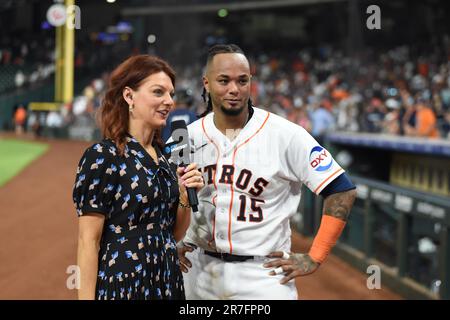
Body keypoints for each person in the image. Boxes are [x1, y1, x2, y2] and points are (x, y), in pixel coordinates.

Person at [175, 44, 357, 300]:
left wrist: (316, 255)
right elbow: (172, 198)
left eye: (242, 80)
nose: (234, 89)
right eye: (224, 80)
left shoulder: (286, 135)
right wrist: (173, 242)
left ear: (251, 82)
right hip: (198, 273)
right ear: (206, 83)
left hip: (261, 276)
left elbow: (341, 189)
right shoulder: (186, 137)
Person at [72, 55, 204, 300]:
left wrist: (185, 197)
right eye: (158, 92)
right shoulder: (103, 156)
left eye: (171, 94)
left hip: (166, 281)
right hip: (124, 285)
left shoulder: (166, 159)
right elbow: (88, 241)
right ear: (129, 96)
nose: (169, 101)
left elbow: (172, 234)